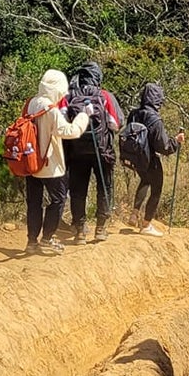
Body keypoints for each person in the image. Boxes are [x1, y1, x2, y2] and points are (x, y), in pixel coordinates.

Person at [23, 68, 90, 255]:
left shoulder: (30, 103)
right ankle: (47, 238)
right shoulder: (51, 110)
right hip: (48, 163)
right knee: (58, 198)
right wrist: (83, 116)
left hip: (30, 161)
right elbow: (69, 132)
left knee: (34, 202)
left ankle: (31, 242)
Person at [64, 61, 123, 243]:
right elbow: (116, 123)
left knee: (78, 191)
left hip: (77, 152)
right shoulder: (105, 96)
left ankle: (80, 230)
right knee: (104, 187)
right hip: (102, 151)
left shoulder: (70, 96)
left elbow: (64, 121)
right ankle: (101, 228)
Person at [122, 83, 182, 235]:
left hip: (135, 158)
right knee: (156, 189)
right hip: (150, 160)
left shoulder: (134, 113)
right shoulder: (155, 120)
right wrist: (176, 141)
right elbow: (164, 147)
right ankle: (146, 224)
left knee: (145, 180)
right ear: (157, 100)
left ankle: (135, 213)